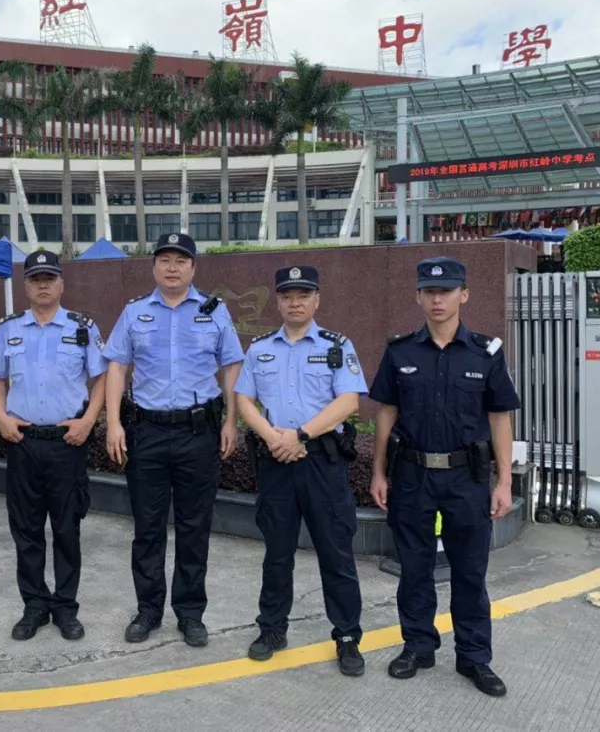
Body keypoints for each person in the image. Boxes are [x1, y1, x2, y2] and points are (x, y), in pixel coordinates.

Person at [368, 257, 519, 698]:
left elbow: (500, 418)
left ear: (463, 295)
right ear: (418, 296)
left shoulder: (485, 353)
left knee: (470, 571)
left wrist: (504, 481)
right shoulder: (400, 352)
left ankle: (474, 657)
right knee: (414, 568)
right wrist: (378, 472)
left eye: (447, 291)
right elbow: (386, 413)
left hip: (466, 479)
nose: (438, 299)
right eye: (430, 291)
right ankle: (418, 646)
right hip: (412, 476)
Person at [103, 232, 244, 647]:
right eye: (164, 259)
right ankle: (148, 611)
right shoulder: (134, 312)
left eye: (181, 260)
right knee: (147, 528)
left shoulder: (214, 311)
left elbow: (231, 367)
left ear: (193, 268)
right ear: (153, 266)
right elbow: (116, 368)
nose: (172, 267)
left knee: (194, 527)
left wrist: (231, 421)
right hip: (146, 432)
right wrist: (113, 423)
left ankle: (190, 613)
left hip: (198, 434)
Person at [234, 265, 367, 676]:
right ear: (277, 301)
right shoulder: (260, 348)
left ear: (317, 300)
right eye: (287, 296)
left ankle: (347, 636)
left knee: (336, 552)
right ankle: (272, 629)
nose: (295, 302)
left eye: (303, 295)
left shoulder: (336, 345)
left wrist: (301, 436)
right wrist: (274, 439)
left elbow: (349, 401)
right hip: (277, 463)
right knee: (276, 553)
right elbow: (243, 400)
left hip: (322, 464)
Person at [0, 250, 107, 642]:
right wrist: (0, 416)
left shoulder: (82, 327)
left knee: (67, 530)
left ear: (61, 283)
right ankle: (34, 605)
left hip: (67, 443)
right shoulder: (8, 329)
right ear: (26, 286)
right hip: (23, 442)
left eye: (49, 278)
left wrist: (88, 421)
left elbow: (103, 378)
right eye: (36, 279)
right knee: (27, 530)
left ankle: (65, 607)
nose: (43, 285)